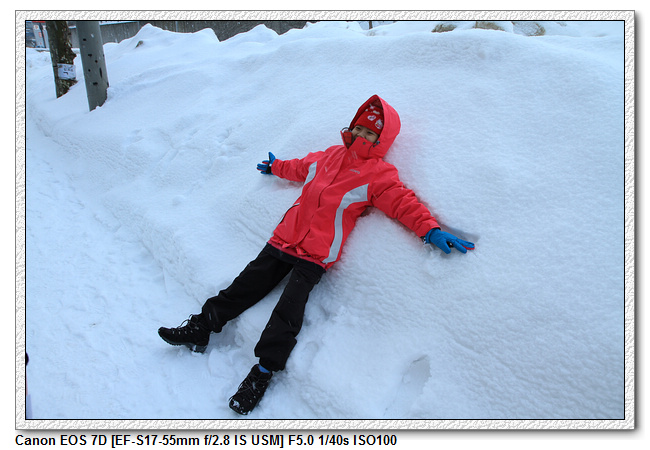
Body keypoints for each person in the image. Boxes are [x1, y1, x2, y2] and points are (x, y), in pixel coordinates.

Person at [158, 95, 474, 415]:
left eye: (370, 133)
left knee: (287, 312)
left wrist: (429, 230)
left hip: (316, 254)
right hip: (284, 239)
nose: (361, 136)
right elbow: (301, 167)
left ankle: (263, 372)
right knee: (244, 286)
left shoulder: (379, 175)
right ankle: (201, 327)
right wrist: (277, 167)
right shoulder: (330, 155)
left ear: (382, 140)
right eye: (359, 129)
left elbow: (403, 203)